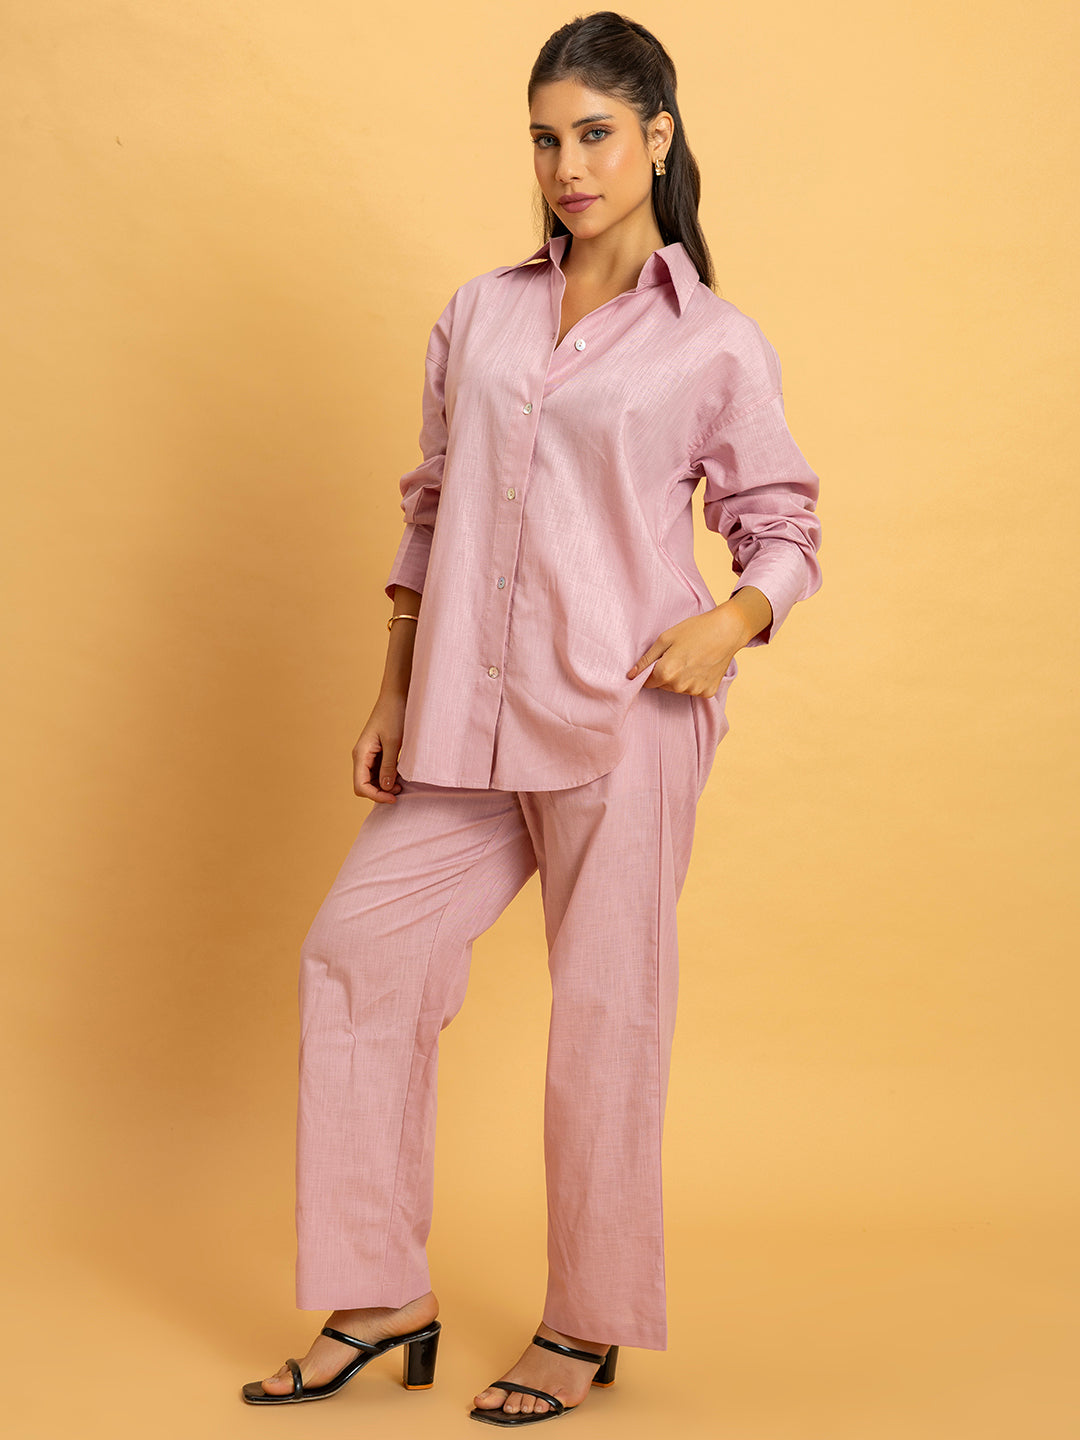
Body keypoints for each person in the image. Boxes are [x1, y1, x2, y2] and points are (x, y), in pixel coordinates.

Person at [241, 11, 822, 1428]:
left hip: (624, 718)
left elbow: (784, 526)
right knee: (356, 956)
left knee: (608, 1016)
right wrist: (394, 685)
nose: (569, 165)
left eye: (596, 135)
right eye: (547, 139)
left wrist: (729, 623)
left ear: (658, 139)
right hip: (463, 715)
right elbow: (433, 505)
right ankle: (379, 1296)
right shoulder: (480, 312)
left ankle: (585, 1322)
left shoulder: (714, 342)